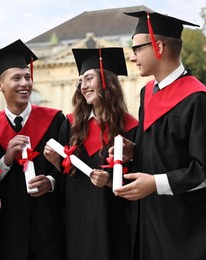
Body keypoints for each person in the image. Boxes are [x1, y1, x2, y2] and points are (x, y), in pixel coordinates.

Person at [112, 11, 206, 260]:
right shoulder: (147, 94)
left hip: (184, 233)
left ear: (158, 46)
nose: (132, 57)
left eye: (137, 48)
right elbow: (162, 151)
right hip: (148, 224)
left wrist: (154, 183)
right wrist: (135, 150)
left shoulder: (198, 100)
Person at [44, 47, 138, 260]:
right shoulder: (71, 125)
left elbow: (138, 177)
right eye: (81, 82)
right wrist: (55, 162)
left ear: (106, 81)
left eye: (88, 79)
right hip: (76, 219)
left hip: (113, 222)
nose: (83, 86)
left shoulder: (130, 128)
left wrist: (110, 181)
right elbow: (66, 179)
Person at [0, 39, 66, 260]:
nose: (25, 83)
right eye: (16, 78)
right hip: (5, 231)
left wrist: (52, 181)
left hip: (47, 228)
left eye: (27, 77)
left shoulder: (55, 120)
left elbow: (67, 166)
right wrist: (6, 159)